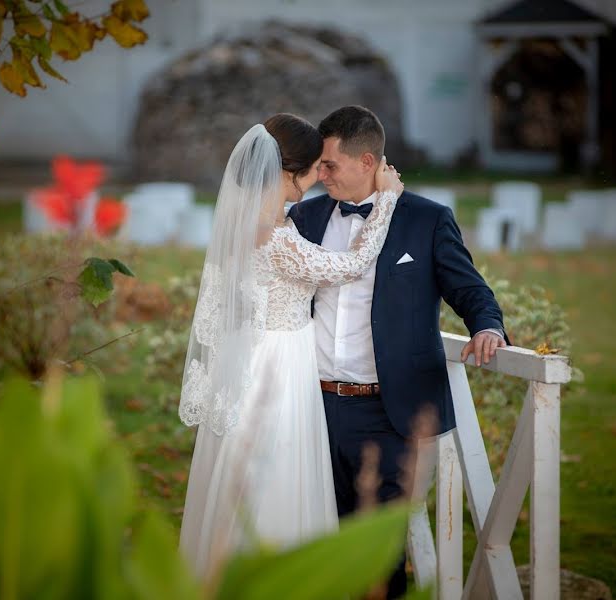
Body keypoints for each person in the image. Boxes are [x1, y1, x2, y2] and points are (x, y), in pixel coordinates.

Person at [288, 105, 508, 598]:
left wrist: (488, 326)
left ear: (367, 162)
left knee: (379, 553)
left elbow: (470, 290)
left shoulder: (427, 220)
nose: (319, 175)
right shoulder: (303, 217)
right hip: (311, 406)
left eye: (329, 165)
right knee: (320, 543)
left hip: (389, 412)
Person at [178, 113, 405, 580]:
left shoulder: (258, 224)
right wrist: (387, 200)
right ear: (287, 173)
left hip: (263, 357)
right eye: (312, 169)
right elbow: (353, 264)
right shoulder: (275, 236)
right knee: (275, 476)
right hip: (277, 370)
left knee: (266, 476)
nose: (319, 178)